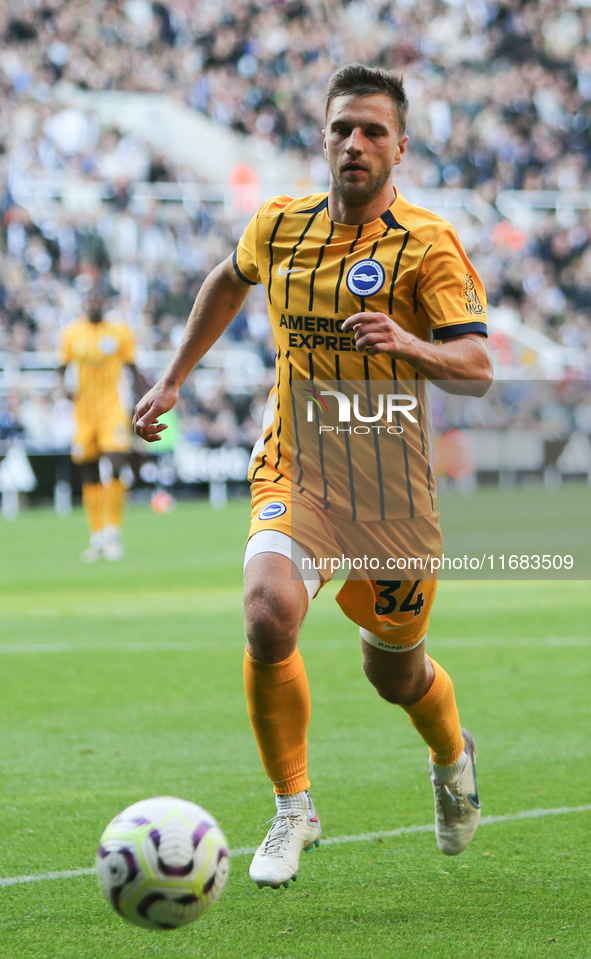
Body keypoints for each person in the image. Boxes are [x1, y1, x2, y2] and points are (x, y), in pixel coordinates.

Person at [133, 63, 493, 889]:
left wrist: (412, 345)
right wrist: (175, 375)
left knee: (392, 672)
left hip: (391, 494)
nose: (354, 143)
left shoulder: (427, 244)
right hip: (300, 466)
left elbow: (475, 365)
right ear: (322, 138)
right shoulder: (280, 226)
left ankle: (450, 752)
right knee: (267, 610)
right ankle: (293, 805)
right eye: (341, 128)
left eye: (372, 130)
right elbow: (227, 279)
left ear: (400, 146)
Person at [58, 284, 147, 562]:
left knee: (117, 461)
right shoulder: (72, 333)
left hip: (112, 409)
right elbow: (61, 369)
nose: (95, 304)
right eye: (90, 300)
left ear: (105, 303)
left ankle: (113, 531)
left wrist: (146, 400)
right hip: (84, 412)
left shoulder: (119, 332)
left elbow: (133, 369)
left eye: (99, 299)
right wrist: (65, 391)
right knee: (88, 470)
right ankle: (96, 536)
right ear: (85, 304)